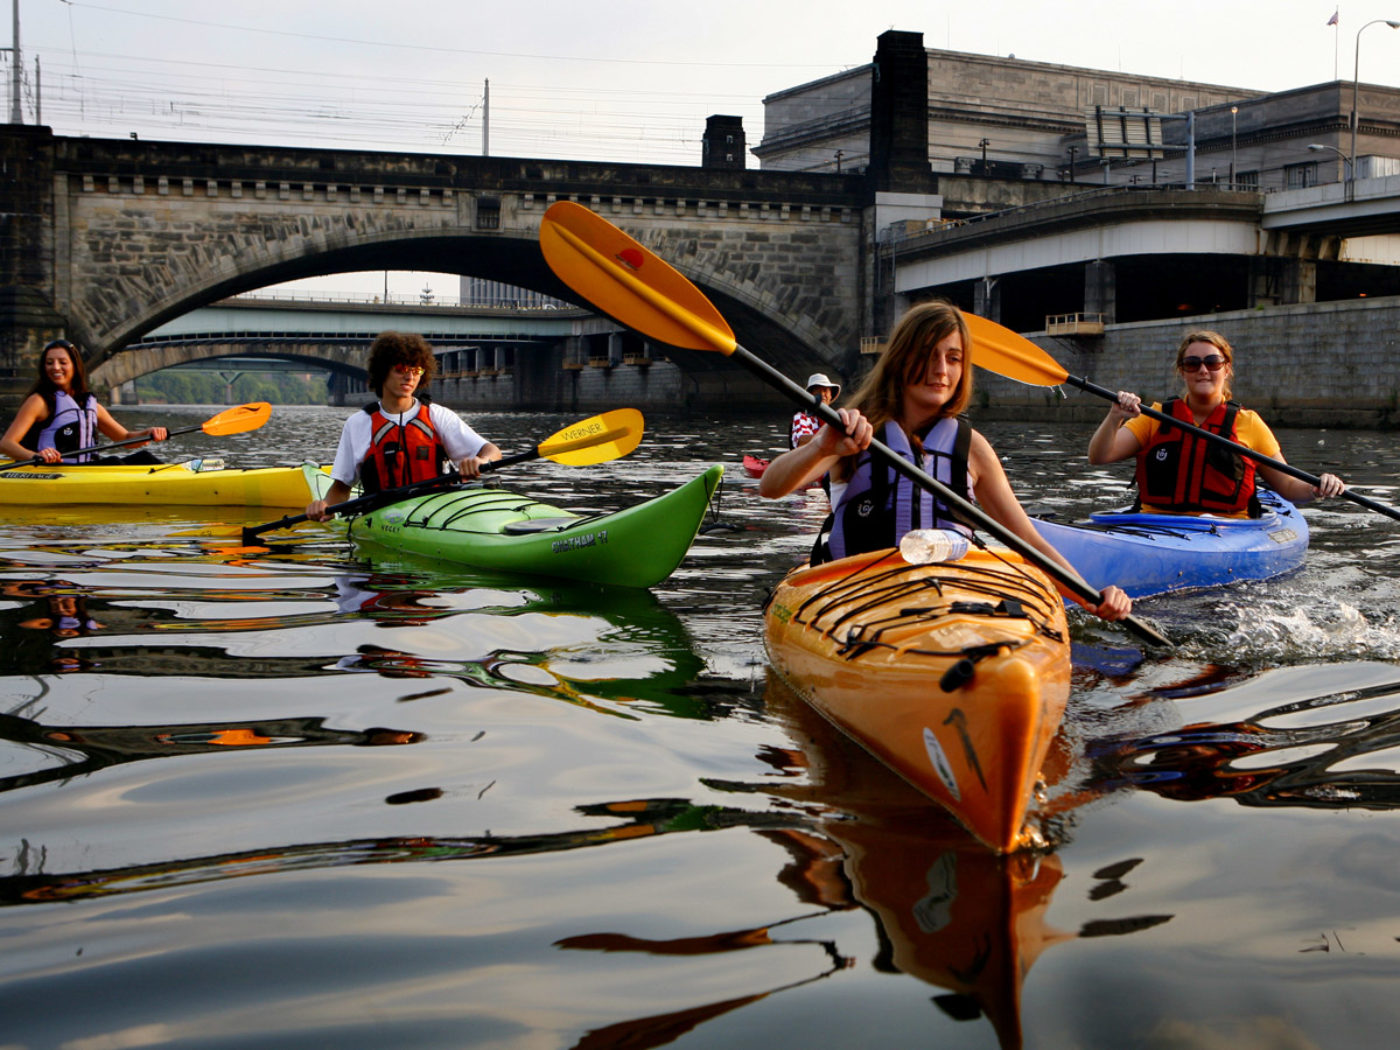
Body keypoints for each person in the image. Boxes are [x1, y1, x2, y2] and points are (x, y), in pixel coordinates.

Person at [759, 300, 1132, 622]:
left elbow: (1026, 539)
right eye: (928, 355)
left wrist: (1090, 596)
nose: (941, 369)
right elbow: (771, 487)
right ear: (901, 360)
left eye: (953, 359)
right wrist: (821, 447)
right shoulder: (854, 432)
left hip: (950, 602)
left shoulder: (973, 448)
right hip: (859, 600)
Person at [1087, 329, 1346, 516]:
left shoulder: (1249, 423)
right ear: (1182, 371)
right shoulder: (1154, 416)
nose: (1203, 370)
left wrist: (1316, 487)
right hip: (1156, 525)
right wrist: (1115, 416)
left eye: (1212, 363)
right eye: (1192, 364)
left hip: (1227, 530)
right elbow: (1099, 456)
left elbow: (1287, 486)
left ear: (1226, 369)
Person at [305, 330, 501, 521]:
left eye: (416, 371)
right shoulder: (358, 424)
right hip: (381, 517)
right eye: (401, 369)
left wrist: (481, 461)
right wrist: (324, 506)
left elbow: (492, 451)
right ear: (383, 371)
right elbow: (341, 490)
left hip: (436, 514)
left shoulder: (437, 415)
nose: (410, 377)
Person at [0, 339, 167, 465]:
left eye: (62, 362)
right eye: (49, 363)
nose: (55, 367)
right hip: (53, 471)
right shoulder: (39, 402)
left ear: (75, 366)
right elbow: (6, 444)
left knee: (145, 458)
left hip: (85, 469)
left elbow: (125, 438)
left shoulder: (91, 406)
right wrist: (36, 456)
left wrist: (148, 433)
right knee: (114, 461)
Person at [790, 373, 841, 448]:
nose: (822, 394)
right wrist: (832, 438)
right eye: (818, 391)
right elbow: (802, 440)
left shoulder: (836, 417)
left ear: (830, 395)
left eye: (825, 391)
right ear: (810, 395)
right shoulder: (801, 416)